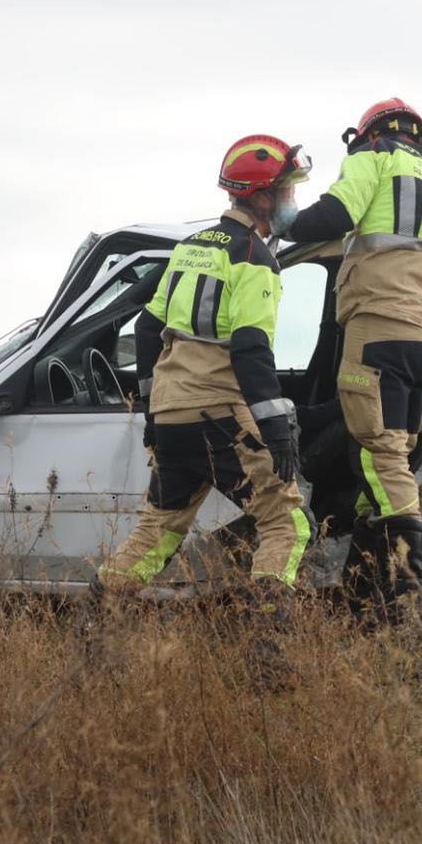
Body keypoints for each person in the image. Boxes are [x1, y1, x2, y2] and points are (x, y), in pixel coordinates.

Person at [272, 98, 422, 616]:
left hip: (379, 330)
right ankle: (369, 589)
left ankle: (411, 594)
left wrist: (285, 218)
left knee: (378, 455)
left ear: (367, 134)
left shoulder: (374, 158)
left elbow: (336, 215)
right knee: (392, 463)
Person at [99, 135, 316, 600]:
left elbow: (145, 330)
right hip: (219, 414)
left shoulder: (190, 248)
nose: (293, 201)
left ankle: (99, 622)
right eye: (288, 190)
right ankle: (269, 642)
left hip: (174, 416)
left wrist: (153, 413)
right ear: (261, 196)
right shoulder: (255, 257)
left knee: (157, 530)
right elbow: (251, 347)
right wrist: (275, 426)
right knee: (287, 524)